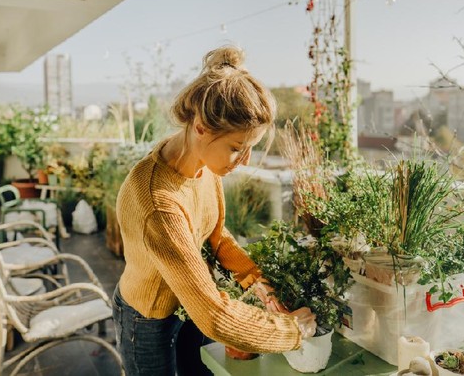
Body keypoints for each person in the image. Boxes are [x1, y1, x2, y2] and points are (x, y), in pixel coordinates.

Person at [112, 45, 317, 376]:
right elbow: (214, 316)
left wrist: (254, 279)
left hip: (188, 302)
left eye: (249, 148)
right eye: (237, 148)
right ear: (201, 127)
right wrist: (292, 331)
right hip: (147, 318)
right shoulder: (157, 200)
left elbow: (217, 234)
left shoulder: (204, 166)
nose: (245, 161)